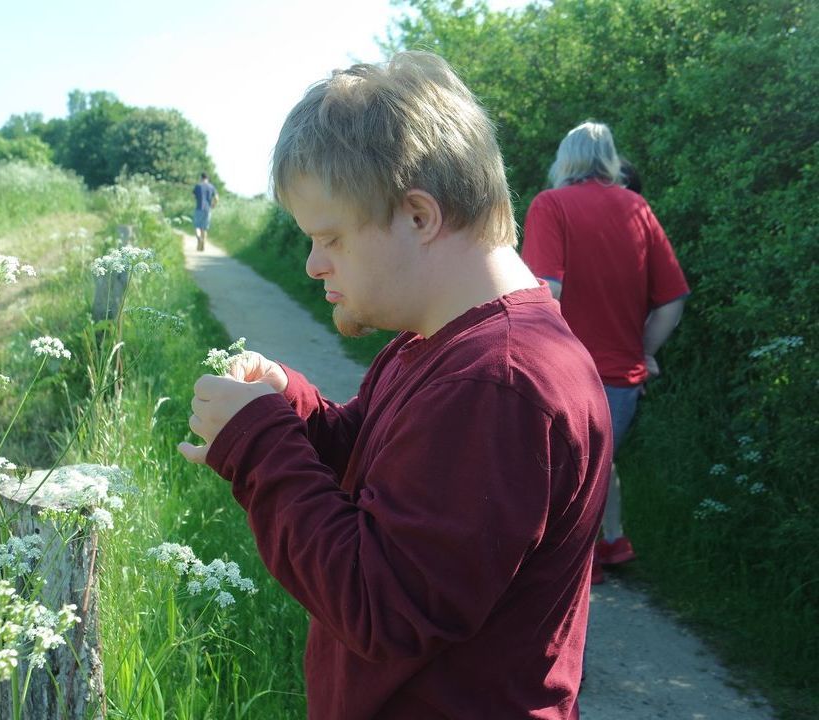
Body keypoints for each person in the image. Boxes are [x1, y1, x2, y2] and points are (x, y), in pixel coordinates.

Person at [179, 52, 611, 719]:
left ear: (418, 216)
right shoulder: (438, 344)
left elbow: (381, 606)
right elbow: (379, 463)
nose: (313, 264)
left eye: (331, 238)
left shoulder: (500, 381)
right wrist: (289, 407)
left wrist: (261, 446)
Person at [521, 122, 689, 585]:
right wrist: (646, 350)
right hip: (621, 375)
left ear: (564, 160)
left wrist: (529, 353)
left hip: (567, 371)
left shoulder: (550, 205)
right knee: (600, 459)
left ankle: (576, 559)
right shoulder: (638, 208)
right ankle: (614, 542)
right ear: (611, 159)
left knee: (564, 470)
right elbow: (672, 300)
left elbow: (548, 291)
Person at [192, 172, 218, 251]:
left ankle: (199, 238)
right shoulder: (211, 187)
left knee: (197, 226)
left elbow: (193, 196)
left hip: (199, 208)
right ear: (207, 178)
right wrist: (213, 205)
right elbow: (216, 198)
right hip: (208, 209)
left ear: (201, 177)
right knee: (204, 228)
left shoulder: (198, 186)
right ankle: (203, 245)